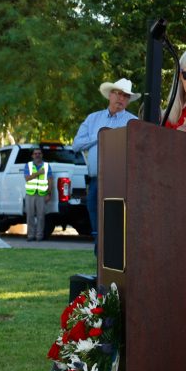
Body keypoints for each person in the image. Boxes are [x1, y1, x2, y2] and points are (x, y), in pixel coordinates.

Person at [72, 78, 140, 250]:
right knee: (97, 226)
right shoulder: (93, 119)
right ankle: (100, 267)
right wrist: (100, 135)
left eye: (126, 96)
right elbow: (76, 145)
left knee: (116, 224)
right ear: (110, 95)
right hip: (96, 180)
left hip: (120, 181)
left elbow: (138, 152)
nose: (121, 98)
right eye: (118, 93)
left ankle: (115, 265)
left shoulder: (133, 123)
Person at [23, 147, 53, 241]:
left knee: (41, 216)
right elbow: (27, 178)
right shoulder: (28, 165)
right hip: (30, 194)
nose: (37, 155)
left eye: (39, 153)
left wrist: (49, 193)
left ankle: (39, 236)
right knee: (30, 216)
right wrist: (38, 173)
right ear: (32, 155)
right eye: (35, 153)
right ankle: (30, 236)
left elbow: (50, 180)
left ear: (42, 155)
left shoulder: (47, 166)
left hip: (42, 194)